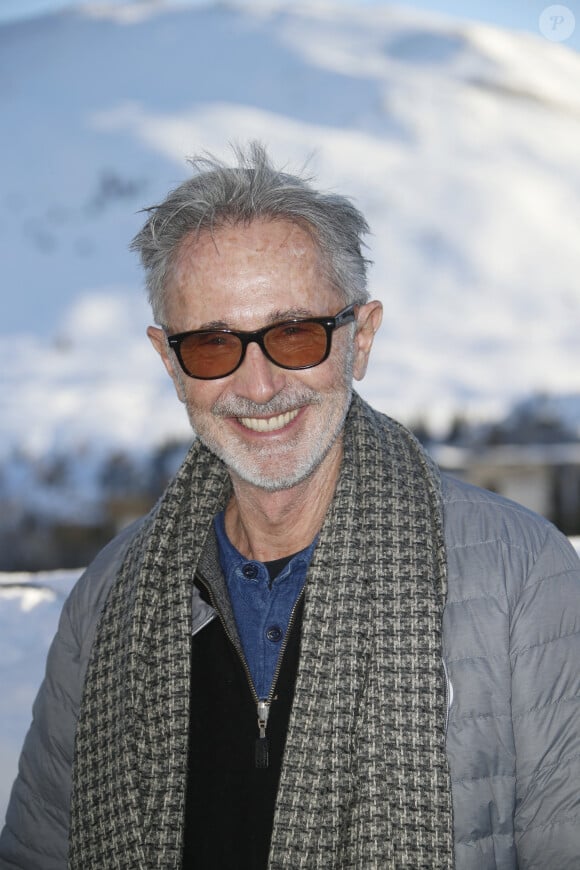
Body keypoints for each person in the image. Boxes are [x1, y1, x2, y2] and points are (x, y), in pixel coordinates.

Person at [1, 142, 579, 870]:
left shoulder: (523, 581)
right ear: (170, 364)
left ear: (359, 340)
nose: (261, 385)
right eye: (213, 345)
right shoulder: (110, 599)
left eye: (294, 334)